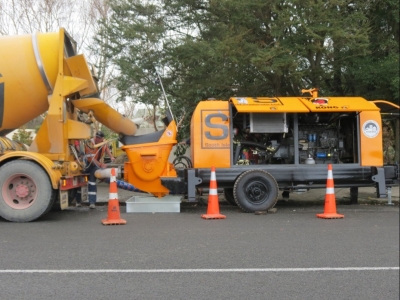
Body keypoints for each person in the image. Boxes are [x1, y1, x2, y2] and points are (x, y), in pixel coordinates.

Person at [75, 131, 115, 209]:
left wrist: (111, 156)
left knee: (92, 182)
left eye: (99, 138)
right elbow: (90, 159)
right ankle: (78, 201)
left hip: (94, 166)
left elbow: (106, 148)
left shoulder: (103, 143)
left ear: (102, 139)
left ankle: (92, 203)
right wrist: (101, 165)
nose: (97, 139)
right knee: (80, 183)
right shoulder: (90, 143)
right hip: (86, 165)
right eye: (96, 137)